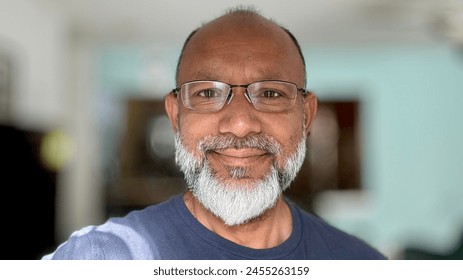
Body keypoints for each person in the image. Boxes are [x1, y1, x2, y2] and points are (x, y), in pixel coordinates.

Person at [43, 7, 386, 260]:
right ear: (176, 115)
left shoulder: (361, 263)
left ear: (306, 116)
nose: (239, 124)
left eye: (270, 93)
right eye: (207, 93)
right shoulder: (99, 258)